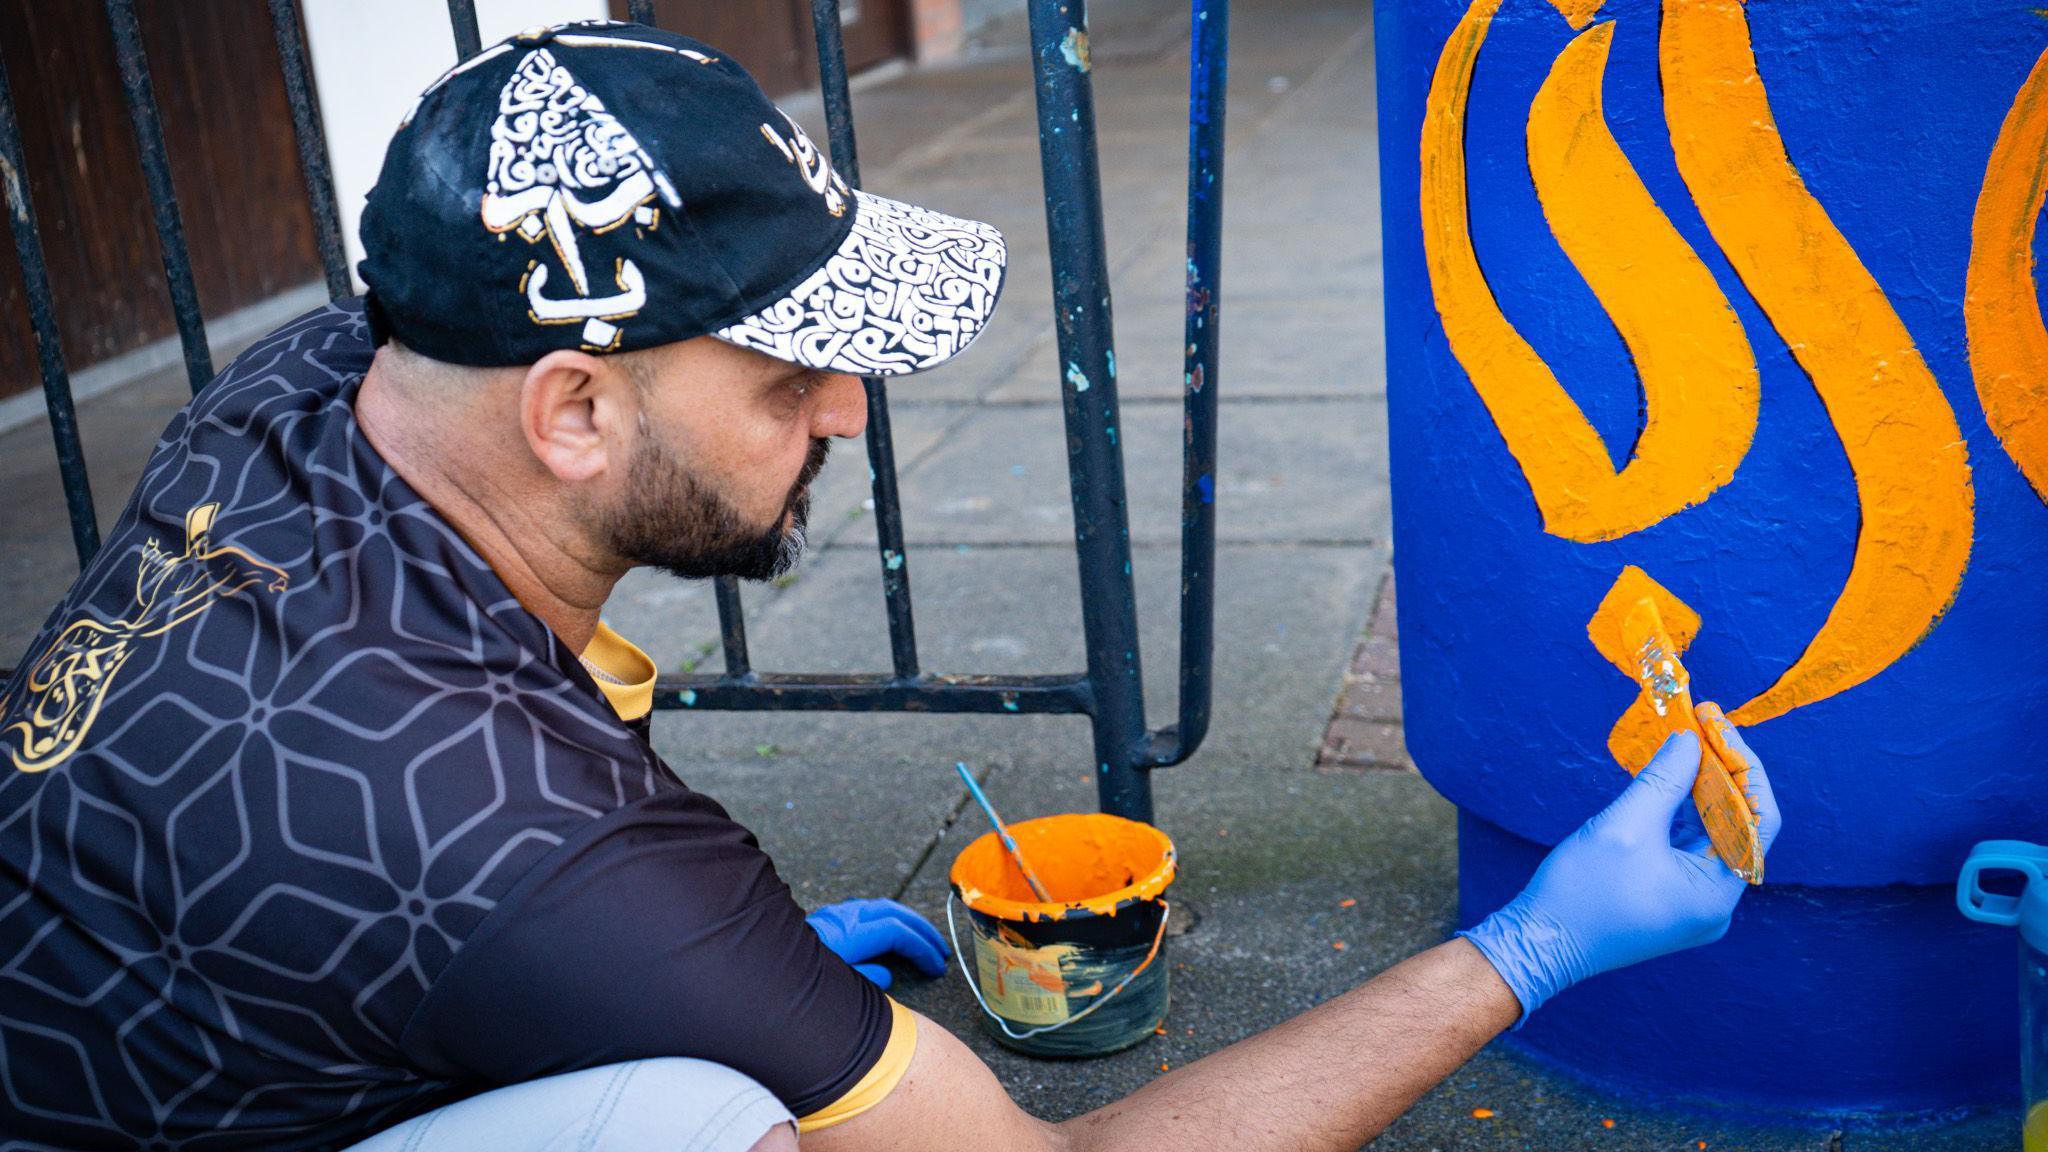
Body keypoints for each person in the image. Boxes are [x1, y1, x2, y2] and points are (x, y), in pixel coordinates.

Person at [0, 21, 1781, 1152]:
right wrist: (1528, 952)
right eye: (787, 377)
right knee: (708, 1121)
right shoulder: (534, 852)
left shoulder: (318, 386)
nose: (849, 408)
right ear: (573, 408)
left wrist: (656, 960)